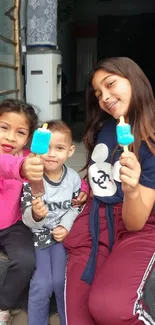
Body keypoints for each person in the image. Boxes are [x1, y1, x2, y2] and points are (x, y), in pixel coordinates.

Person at [63, 57, 155, 325]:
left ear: (134, 79)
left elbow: (135, 221)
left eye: (110, 84)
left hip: (137, 224)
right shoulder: (103, 127)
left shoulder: (151, 138)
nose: (104, 97)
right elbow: (97, 176)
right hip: (94, 221)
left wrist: (133, 190)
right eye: (98, 93)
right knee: (78, 318)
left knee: (111, 308)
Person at [21, 120, 89, 325]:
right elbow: (26, 218)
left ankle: (68, 320)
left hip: (61, 239)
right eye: (46, 147)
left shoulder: (73, 179)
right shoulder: (30, 179)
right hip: (36, 239)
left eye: (59, 148)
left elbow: (76, 205)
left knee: (61, 282)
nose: (51, 154)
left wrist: (66, 226)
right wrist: (35, 214)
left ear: (70, 151)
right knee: (42, 284)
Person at [0, 98, 46, 325]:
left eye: (20, 132)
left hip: (13, 224)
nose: (10, 137)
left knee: (26, 261)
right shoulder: (20, 163)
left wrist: (83, 189)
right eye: (4, 128)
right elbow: (4, 165)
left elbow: (57, 170)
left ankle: (3, 306)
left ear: (28, 138)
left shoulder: (30, 157)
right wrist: (21, 168)